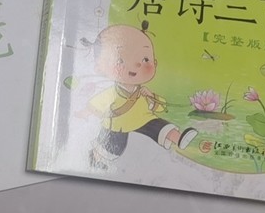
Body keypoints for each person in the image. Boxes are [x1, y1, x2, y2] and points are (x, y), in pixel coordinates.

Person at [78, 22, 197, 169]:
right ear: (100, 67)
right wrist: (85, 113)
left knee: (160, 125)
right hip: (119, 123)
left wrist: (151, 97)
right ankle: (96, 158)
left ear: (155, 63)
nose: (136, 65)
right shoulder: (111, 93)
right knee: (112, 147)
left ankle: (178, 138)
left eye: (145, 59)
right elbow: (97, 103)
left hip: (142, 118)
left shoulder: (143, 92)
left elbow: (161, 107)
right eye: (120, 60)